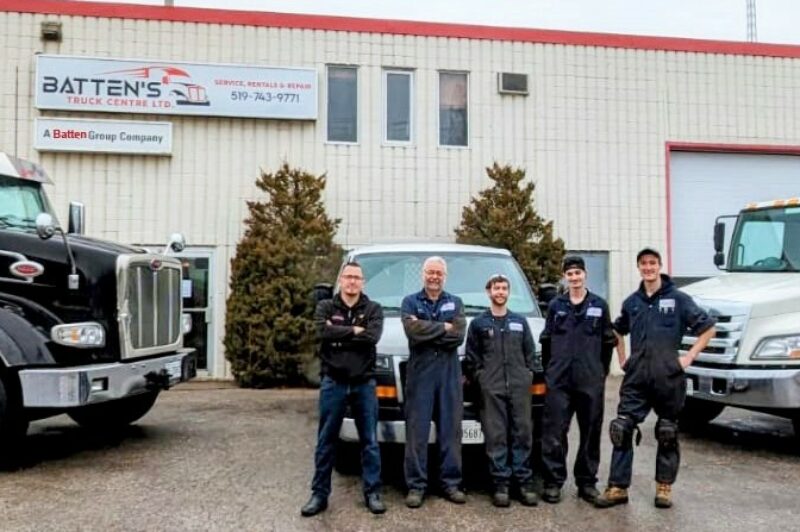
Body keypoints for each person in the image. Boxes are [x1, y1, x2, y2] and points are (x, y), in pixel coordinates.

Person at [595, 248, 716, 509]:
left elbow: (708, 328)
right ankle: (617, 487)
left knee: (667, 431)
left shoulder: (680, 299)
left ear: (659, 266)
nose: (648, 267)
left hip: (668, 377)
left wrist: (689, 357)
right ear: (639, 267)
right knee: (621, 428)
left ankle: (664, 487)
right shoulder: (632, 302)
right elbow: (618, 330)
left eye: (653, 263)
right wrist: (623, 358)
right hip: (637, 377)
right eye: (644, 264)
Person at [301, 262, 386, 517]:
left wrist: (338, 334)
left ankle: (373, 493)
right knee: (326, 440)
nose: (352, 282)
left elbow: (372, 337)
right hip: (333, 382)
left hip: (364, 382)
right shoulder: (326, 307)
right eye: (348, 277)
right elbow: (320, 331)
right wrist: (353, 331)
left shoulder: (373, 309)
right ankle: (319, 495)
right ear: (341, 281)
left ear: (363, 282)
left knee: (369, 441)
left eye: (357, 278)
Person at [539, 256, 617, 505]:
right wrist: (552, 370)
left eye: (578, 273)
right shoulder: (556, 306)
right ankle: (553, 482)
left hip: (589, 380)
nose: (574, 277)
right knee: (554, 432)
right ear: (565, 277)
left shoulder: (599, 305)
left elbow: (607, 342)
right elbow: (547, 340)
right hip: (559, 381)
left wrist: (599, 372)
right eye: (570, 273)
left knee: (591, 431)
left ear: (585, 275)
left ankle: (586, 482)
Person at [465, 273, 539, 508]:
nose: (500, 292)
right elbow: (471, 358)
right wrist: (482, 379)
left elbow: (530, 353)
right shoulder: (478, 323)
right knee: (496, 437)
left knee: (522, 434)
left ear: (508, 293)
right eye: (496, 288)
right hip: (492, 389)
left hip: (519, 388)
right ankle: (501, 485)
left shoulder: (519, 321)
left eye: (504, 288)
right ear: (488, 292)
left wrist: (527, 375)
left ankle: (524, 484)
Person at [401, 256, 467, 508]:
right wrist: (444, 328)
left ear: (445, 276)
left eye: (439, 273)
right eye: (430, 272)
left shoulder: (455, 302)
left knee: (450, 429)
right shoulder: (410, 302)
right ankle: (416, 486)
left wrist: (427, 328)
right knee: (416, 431)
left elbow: (458, 336)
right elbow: (413, 333)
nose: (434, 277)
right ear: (423, 274)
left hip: (449, 373)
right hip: (421, 373)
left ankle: (450, 483)